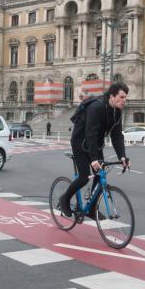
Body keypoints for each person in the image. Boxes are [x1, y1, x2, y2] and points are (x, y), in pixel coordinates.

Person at [59, 82, 130, 218]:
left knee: (100, 175)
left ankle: (91, 210)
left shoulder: (117, 112)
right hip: (80, 142)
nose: (124, 100)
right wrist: (93, 159)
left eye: (125, 98)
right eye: (121, 97)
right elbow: (90, 133)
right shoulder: (96, 107)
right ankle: (65, 199)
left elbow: (117, 135)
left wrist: (122, 156)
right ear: (112, 96)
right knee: (84, 177)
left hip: (95, 144)